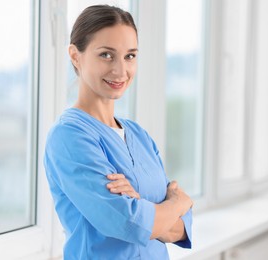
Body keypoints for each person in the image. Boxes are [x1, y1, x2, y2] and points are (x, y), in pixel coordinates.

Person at [44, 5, 193, 259]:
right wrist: (176, 204)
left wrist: (147, 213)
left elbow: (181, 229)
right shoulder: (68, 136)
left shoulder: (139, 136)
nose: (120, 70)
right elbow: (129, 223)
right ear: (75, 56)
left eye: (130, 56)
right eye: (106, 55)